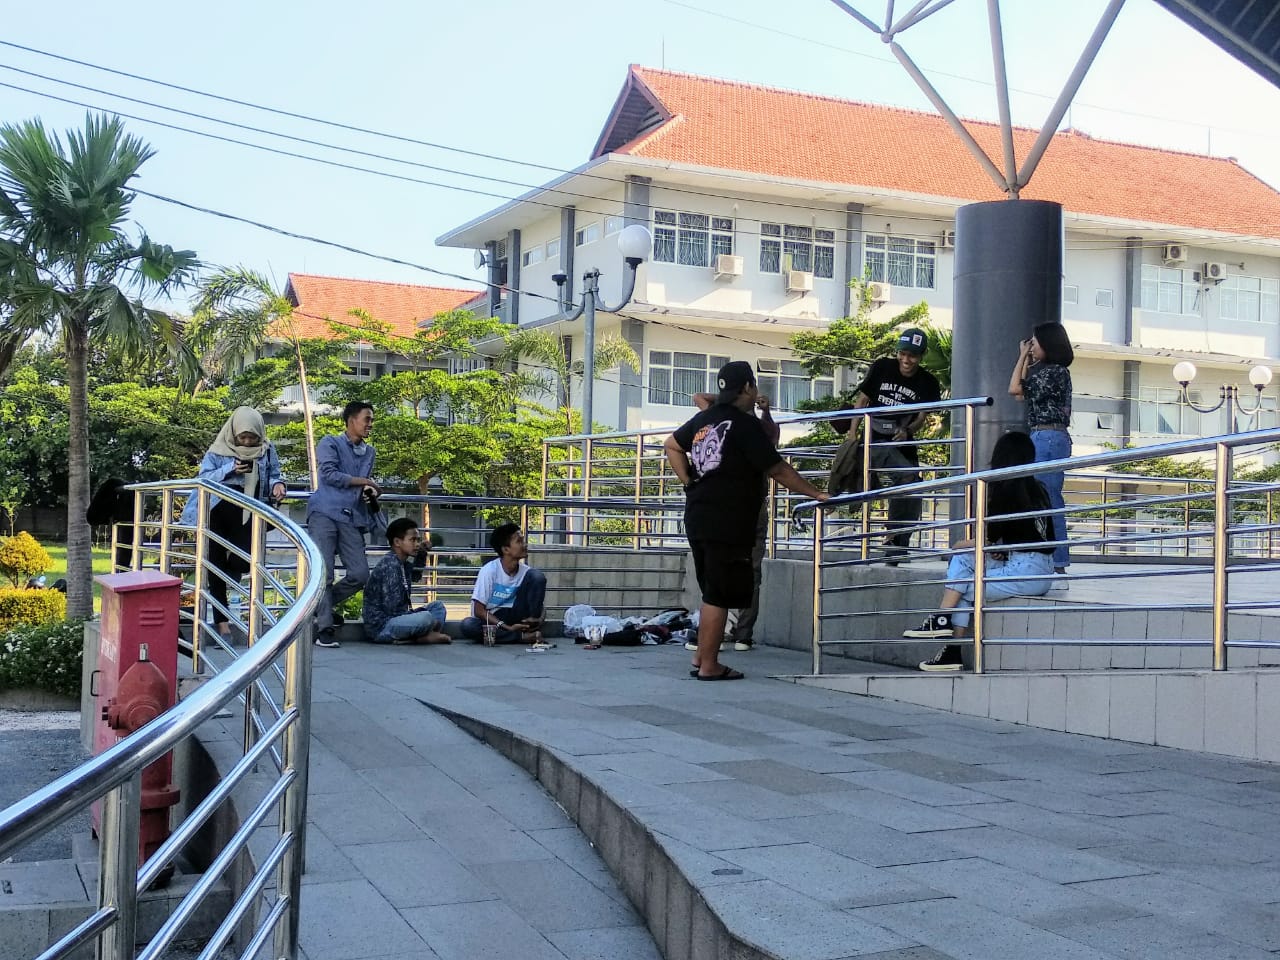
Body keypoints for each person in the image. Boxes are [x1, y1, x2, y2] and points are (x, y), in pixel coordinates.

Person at [665, 361, 829, 681]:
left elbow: (672, 445)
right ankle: (710, 665)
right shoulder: (744, 424)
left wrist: (688, 481)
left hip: (697, 513)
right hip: (727, 518)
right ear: (749, 388)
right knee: (720, 593)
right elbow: (777, 469)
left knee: (712, 587)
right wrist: (815, 494)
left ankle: (702, 655)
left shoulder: (705, 419)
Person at [908, 431, 1056, 671]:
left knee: (964, 578)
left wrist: (957, 544)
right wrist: (1002, 549)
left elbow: (984, 539)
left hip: (1026, 572)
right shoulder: (1037, 488)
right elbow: (1030, 534)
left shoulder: (1005, 488)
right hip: (1034, 565)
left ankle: (947, 639)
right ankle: (943, 630)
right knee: (966, 563)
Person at [178, 407, 285, 643]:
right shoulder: (218, 449)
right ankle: (222, 625)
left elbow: (275, 474)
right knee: (214, 564)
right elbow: (203, 478)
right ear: (233, 433)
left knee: (245, 560)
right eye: (242, 438)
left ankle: (229, 586)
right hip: (217, 509)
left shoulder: (267, 450)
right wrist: (231, 469)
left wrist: (278, 485)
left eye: (252, 438)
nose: (247, 442)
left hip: (248, 510)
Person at [688, 388, 780, 653]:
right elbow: (700, 399)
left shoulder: (752, 426)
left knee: (744, 570)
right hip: (732, 508)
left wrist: (763, 409)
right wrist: (735, 400)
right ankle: (726, 635)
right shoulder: (726, 422)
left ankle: (739, 633)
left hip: (747, 508)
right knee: (727, 570)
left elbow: (773, 442)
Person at [853, 328, 942, 560]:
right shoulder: (883, 367)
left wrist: (908, 431)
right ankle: (893, 540)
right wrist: (852, 433)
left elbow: (923, 416)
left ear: (920, 357)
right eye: (902, 354)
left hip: (903, 441)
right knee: (907, 478)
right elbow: (862, 400)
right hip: (876, 439)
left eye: (912, 356)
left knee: (913, 487)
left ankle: (898, 541)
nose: (906, 360)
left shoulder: (928, 382)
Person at [307, 400, 380, 649]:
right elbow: (329, 474)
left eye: (371, 419)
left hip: (352, 516)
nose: (370, 424)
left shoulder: (370, 452)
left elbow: (359, 485)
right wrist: (364, 480)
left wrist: (369, 490)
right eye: (366, 419)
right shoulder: (330, 442)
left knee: (360, 574)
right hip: (324, 512)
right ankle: (325, 628)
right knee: (324, 572)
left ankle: (318, 608)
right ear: (351, 420)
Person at [1009, 321, 1074, 583]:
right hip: (1047, 435)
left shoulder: (1053, 373)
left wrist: (1022, 355)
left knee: (1048, 499)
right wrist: (1026, 357)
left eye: (1035, 343)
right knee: (1044, 497)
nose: (1032, 347)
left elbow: (1014, 388)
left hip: (1047, 436)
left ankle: (1058, 558)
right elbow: (1020, 394)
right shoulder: (1051, 374)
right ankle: (1054, 557)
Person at [362, 517, 449, 645]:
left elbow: (415, 576)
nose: (417, 544)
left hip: (398, 618)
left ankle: (421, 636)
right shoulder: (390, 565)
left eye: (418, 540)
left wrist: (422, 553)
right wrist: (422, 619)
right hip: (382, 626)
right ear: (397, 542)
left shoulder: (402, 563)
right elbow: (392, 610)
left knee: (437, 606)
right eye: (412, 540)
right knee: (426, 618)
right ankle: (419, 637)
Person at [461, 523, 546, 644]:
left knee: (537, 576)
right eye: (519, 541)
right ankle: (520, 637)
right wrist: (506, 627)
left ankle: (527, 631)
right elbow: (479, 611)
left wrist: (539, 620)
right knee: (468, 625)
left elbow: (540, 606)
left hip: (518, 615)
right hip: (494, 619)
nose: (525, 545)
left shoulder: (528, 573)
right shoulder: (489, 571)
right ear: (506, 549)